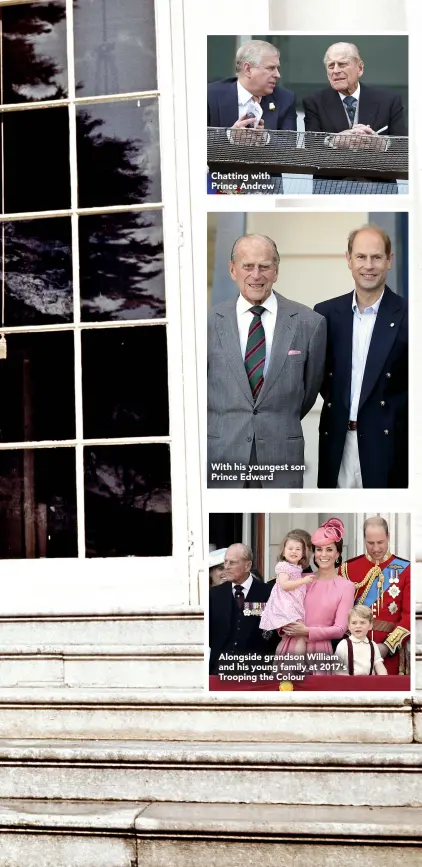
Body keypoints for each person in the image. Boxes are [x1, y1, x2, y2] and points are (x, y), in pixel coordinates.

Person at [208, 234, 326, 488]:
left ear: (276, 271)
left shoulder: (309, 322)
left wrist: (276, 419)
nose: (256, 275)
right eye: (248, 266)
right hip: (223, 456)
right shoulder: (207, 323)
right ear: (232, 270)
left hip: (282, 455)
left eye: (264, 266)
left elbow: (308, 392)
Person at [314, 225, 408, 489]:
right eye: (361, 257)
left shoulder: (410, 315)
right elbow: (319, 378)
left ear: (390, 260)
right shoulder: (326, 314)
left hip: (388, 447)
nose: (369, 265)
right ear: (349, 259)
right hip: (338, 442)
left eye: (377, 257)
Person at [303, 42, 407, 193]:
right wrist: (334, 140)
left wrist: (381, 144)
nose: (336, 71)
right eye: (331, 66)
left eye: (342, 64)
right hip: (332, 189)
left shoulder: (389, 100)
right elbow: (311, 148)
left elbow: (403, 147)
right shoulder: (314, 102)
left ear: (360, 68)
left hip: (379, 188)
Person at [276, 518, 355, 673]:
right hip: (290, 648)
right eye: (319, 549)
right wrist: (286, 626)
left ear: (338, 553)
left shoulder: (346, 586)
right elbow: (280, 607)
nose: (323, 554)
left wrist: (307, 631)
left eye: (329, 549)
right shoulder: (300, 580)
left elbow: (340, 629)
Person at [340, 517, 410, 674]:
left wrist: (387, 646)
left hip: (390, 653)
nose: (376, 548)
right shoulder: (347, 569)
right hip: (354, 650)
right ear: (364, 539)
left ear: (388, 537)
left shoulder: (406, 569)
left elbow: (409, 615)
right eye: (371, 543)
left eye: (380, 542)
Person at [208, 40, 296, 135]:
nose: (278, 75)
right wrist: (230, 136)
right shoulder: (210, 96)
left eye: (277, 68)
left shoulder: (285, 99)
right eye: (271, 68)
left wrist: (265, 139)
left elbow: (289, 144)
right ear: (248, 69)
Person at [209, 542, 271, 675]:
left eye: (233, 563)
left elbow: (274, 635)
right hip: (219, 673)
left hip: (256, 673)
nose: (227, 567)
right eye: (226, 562)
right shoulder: (213, 595)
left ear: (247, 565)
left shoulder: (268, 592)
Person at [259, 532, 314, 655]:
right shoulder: (285, 569)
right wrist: (303, 581)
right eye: (290, 548)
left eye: (298, 549)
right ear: (283, 551)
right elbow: (284, 586)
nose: (294, 551)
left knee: (289, 639)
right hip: (288, 609)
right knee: (299, 637)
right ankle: (297, 663)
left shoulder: (302, 572)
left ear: (306, 552)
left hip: (295, 610)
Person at [336, 605, 388, 676]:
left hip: (370, 684)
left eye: (362, 622)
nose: (358, 626)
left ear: (370, 626)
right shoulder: (343, 644)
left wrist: (384, 680)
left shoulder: (373, 645)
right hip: (350, 684)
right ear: (348, 626)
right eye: (354, 623)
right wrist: (348, 682)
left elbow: (379, 665)